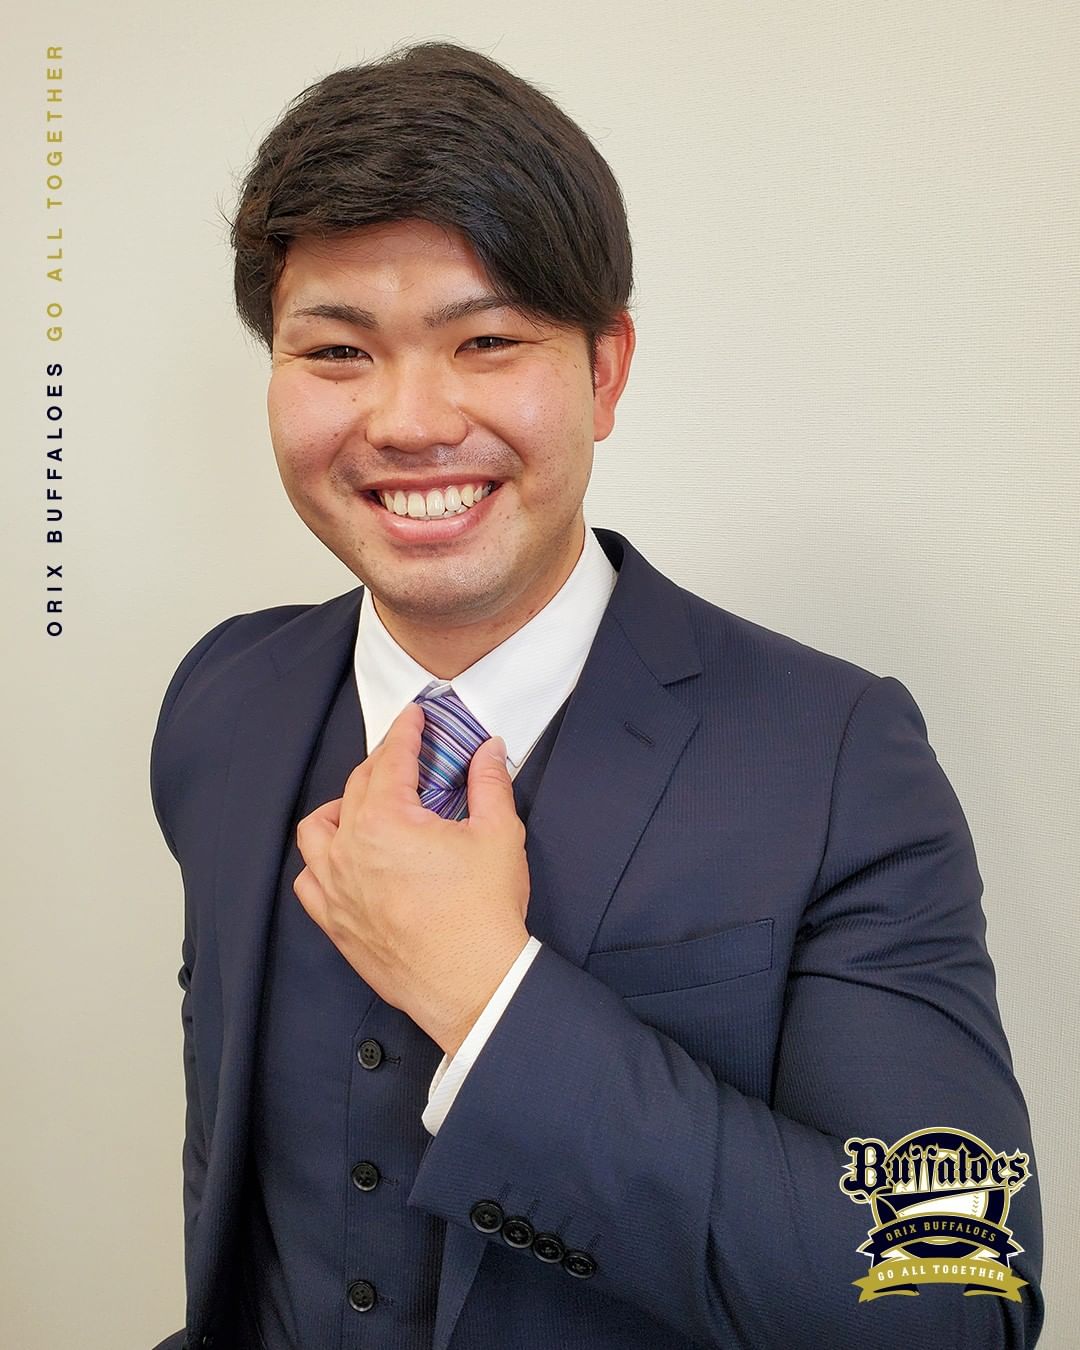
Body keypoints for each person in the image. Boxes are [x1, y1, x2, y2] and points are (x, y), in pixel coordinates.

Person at [150, 40, 1043, 1350]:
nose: (408, 420)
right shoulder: (222, 703)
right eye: (336, 350)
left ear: (604, 370)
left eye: (486, 340)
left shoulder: (839, 756)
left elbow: (957, 1291)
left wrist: (488, 995)